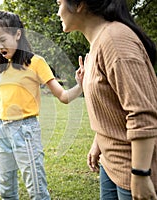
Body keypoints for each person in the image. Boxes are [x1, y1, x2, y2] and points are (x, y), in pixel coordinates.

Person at [0, 11, 84, 200]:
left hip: (25, 131)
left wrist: (80, 85)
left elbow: (63, 96)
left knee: (36, 189)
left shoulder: (36, 62)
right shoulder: (3, 68)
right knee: (6, 189)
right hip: (2, 130)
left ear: (18, 34)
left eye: (3, 40)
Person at [56, 0, 157, 199]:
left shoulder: (116, 40)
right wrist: (98, 143)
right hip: (110, 164)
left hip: (132, 167)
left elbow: (142, 112)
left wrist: (140, 174)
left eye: (59, 3)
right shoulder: (96, 44)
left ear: (79, 5)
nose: (58, 12)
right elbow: (111, 105)